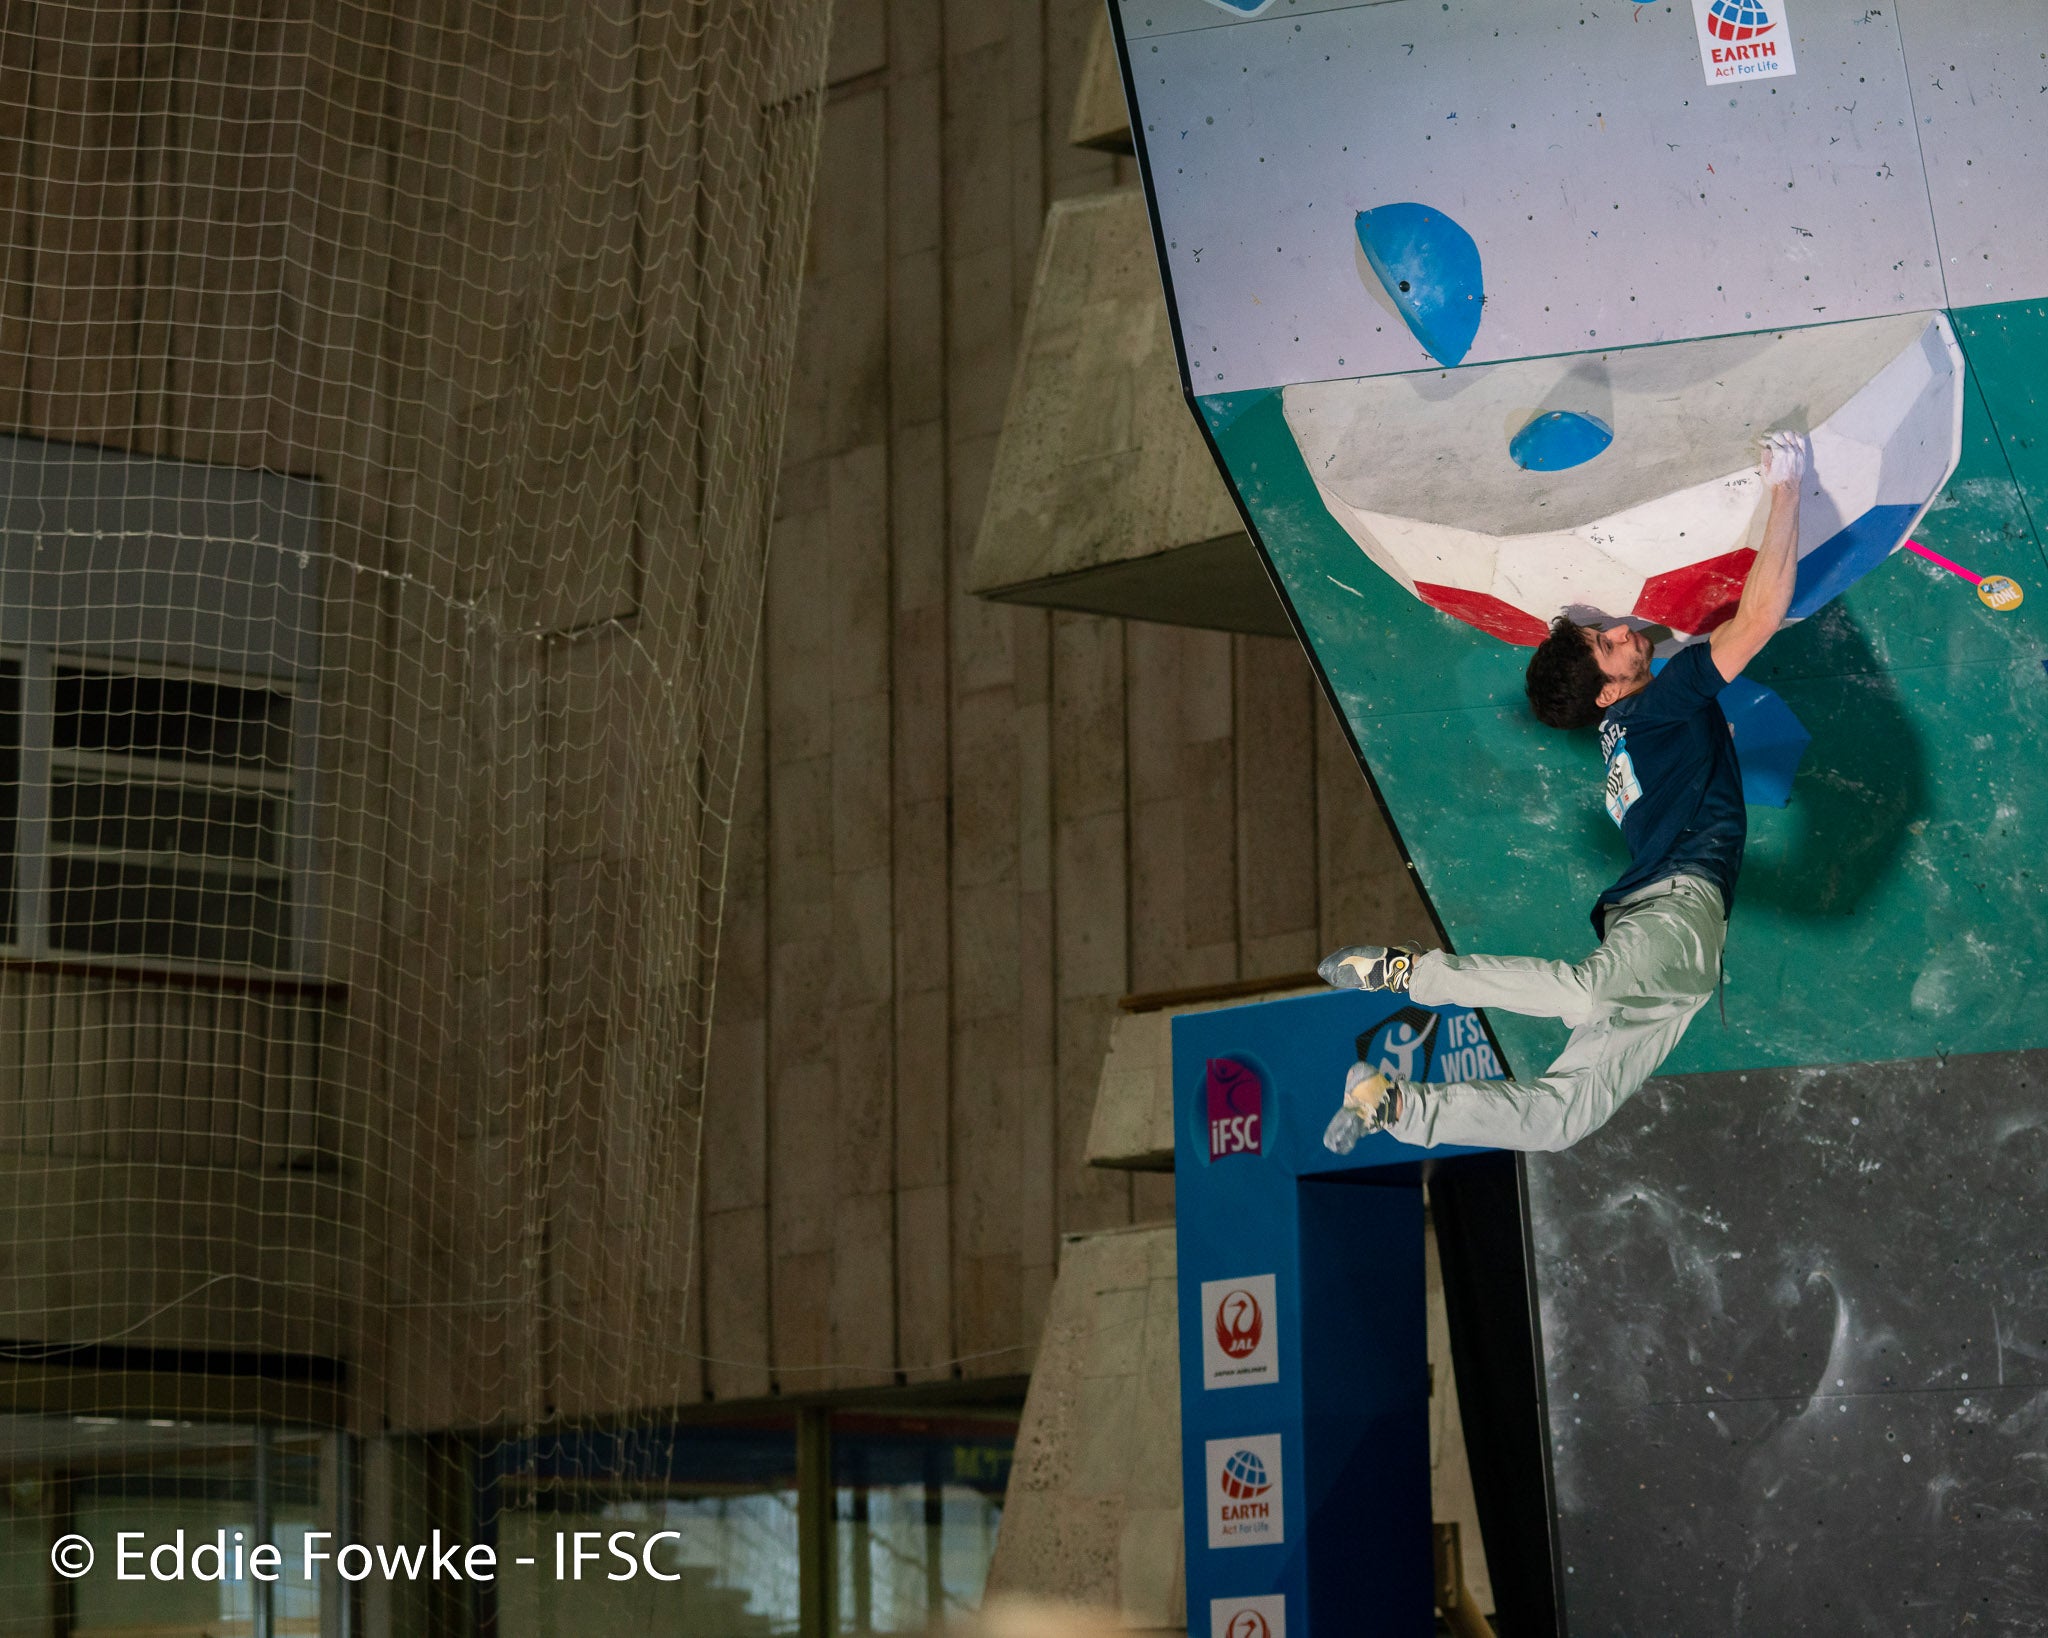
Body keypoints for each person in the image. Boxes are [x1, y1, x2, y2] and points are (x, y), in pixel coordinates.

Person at [1320, 430, 1810, 1152]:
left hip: (1664, 928)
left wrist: (1715, 748)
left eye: (1604, 632)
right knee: (1559, 1124)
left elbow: (1686, 760)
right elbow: (1761, 617)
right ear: (1609, 689)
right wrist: (1788, 487)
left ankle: (1408, 974)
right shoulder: (1659, 706)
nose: (1619, 628)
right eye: (1607, 642)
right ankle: (1395, 1109)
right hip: (1679, 945)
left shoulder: (1635, 725)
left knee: (1584, 994)